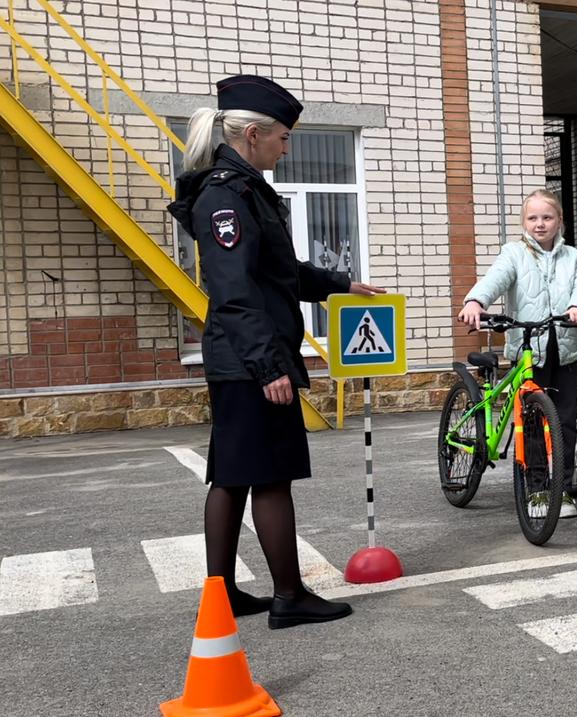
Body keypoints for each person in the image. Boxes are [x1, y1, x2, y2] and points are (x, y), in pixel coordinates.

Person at [168, 74, 384, 629]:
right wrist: (269, 367)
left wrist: (340, 283)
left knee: (233, 475)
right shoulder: (227, 198)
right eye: (284, 137)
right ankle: (289, 595)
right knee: (267, 476)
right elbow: (235, 292)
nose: (287, 147)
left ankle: (223, 594)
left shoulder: (238, 191)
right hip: (249, 362)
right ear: (254, 135)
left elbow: (276, 273)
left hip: (239, 359)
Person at [457, 189, 577, 519]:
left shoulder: (573, 257)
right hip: (528, 350)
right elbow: (495, 279)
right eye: (532, 218)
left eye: (547, 217)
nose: (540, 223)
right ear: (523, 222)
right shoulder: (514, 254)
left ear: (559, 221)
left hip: (565, 349)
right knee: (532, 423)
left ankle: (561, 490)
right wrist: (476, 301)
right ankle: (537, 489)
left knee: (564, 422)